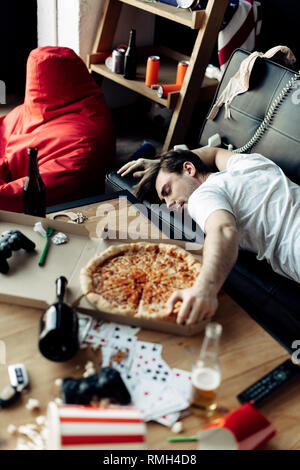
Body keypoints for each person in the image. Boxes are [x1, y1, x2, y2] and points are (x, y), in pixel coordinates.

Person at [117, 147, 300, 325]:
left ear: (189, 169)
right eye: (164, 200)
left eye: (167, 191)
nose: (170, 204)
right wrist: (161, 164)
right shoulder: (250, 163)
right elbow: (214, 152)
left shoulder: (202, 195)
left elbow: (222, 229)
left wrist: (205, 289)